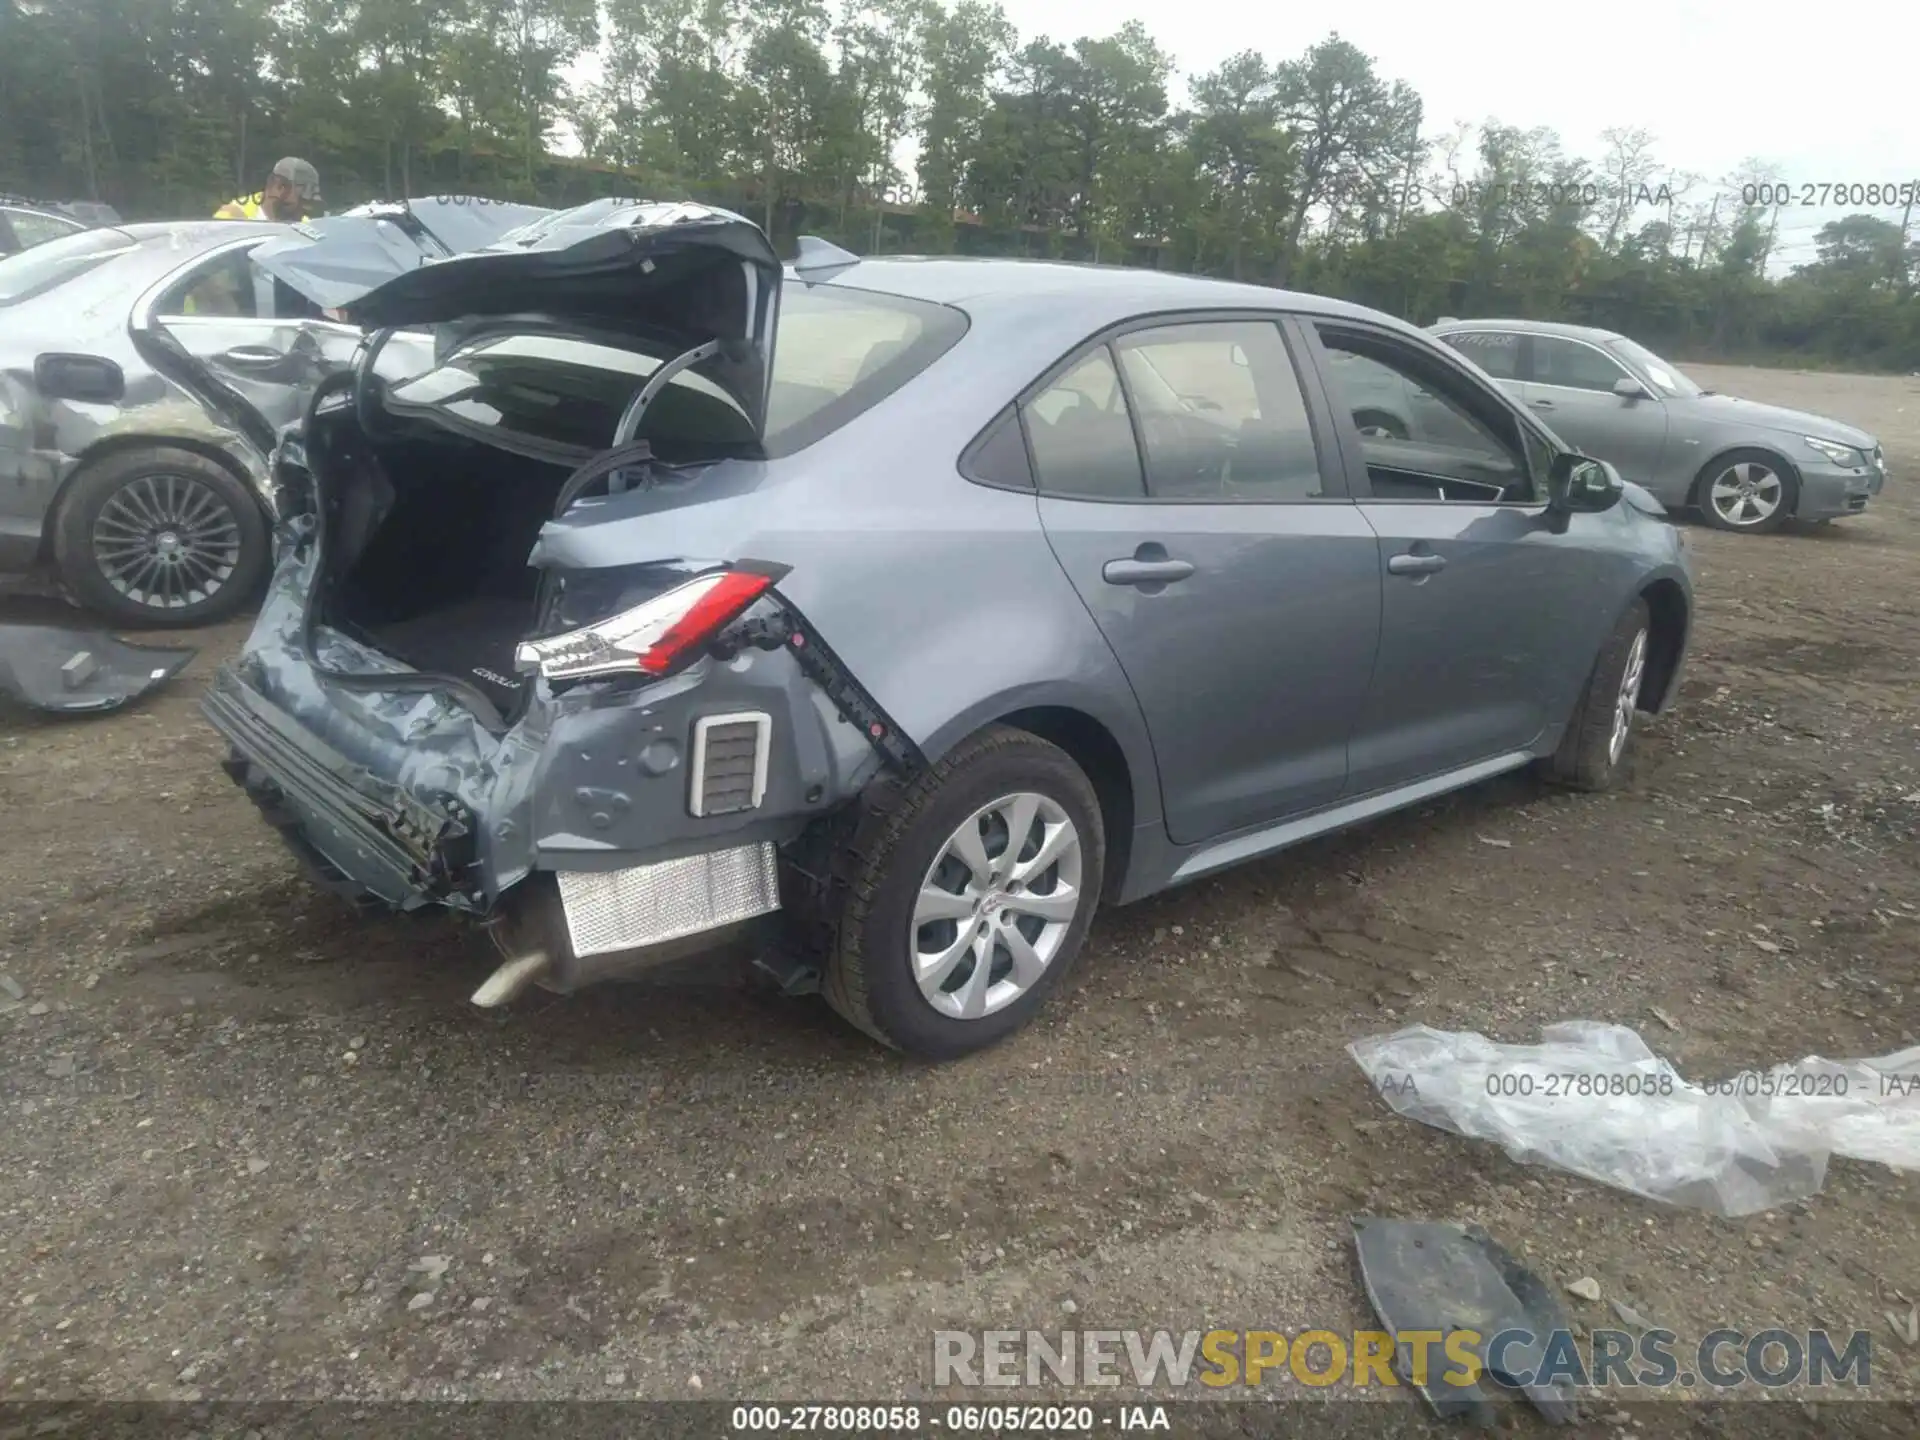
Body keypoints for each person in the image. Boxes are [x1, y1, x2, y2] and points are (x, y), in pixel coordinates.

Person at [215, 157, 322, 222]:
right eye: (301, 200)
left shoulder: (304, 226)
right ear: (278, 186)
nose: (304, 210)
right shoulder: (233, 217)